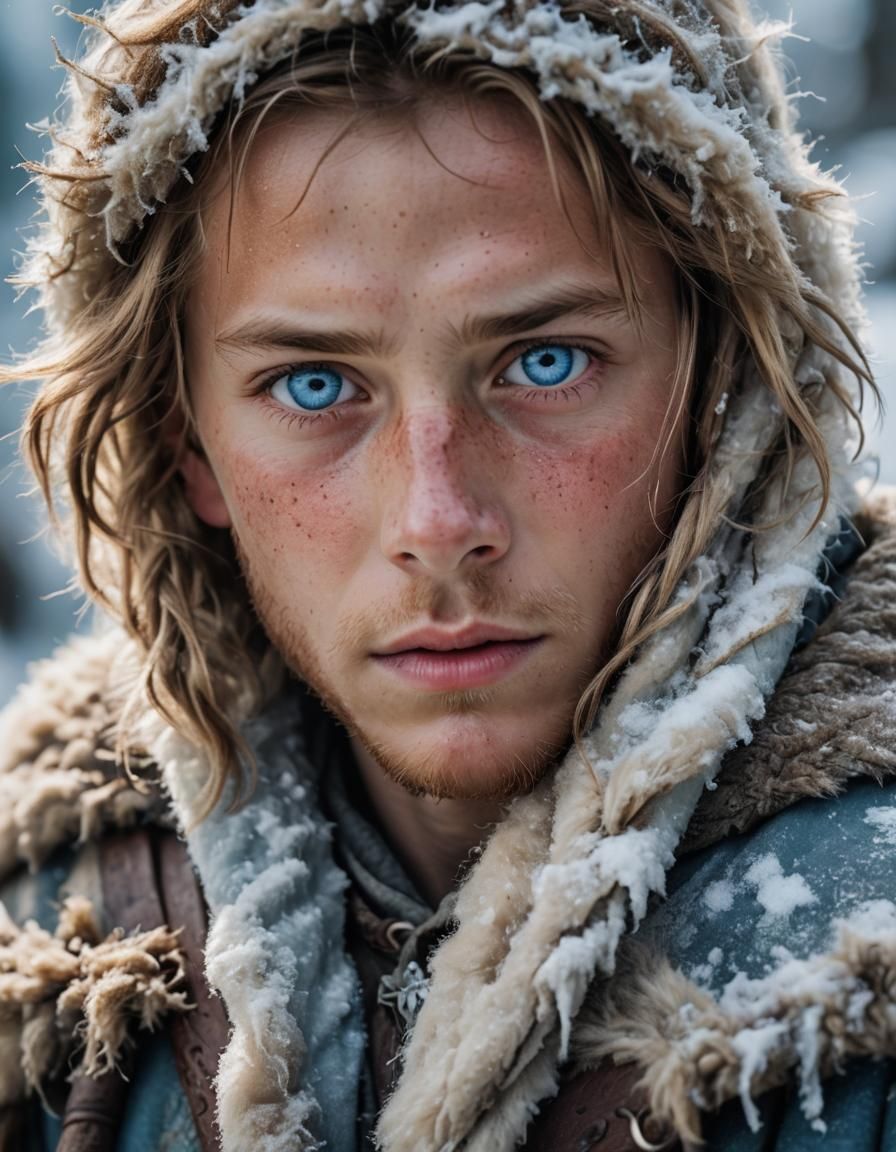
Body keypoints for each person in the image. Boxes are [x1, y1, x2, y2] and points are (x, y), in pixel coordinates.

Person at [1, 0, 895, 1149]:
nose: (437, 520)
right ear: (187, 445)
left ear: (722, 381)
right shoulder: (55, 939)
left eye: (544, 362)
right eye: (314, 386)